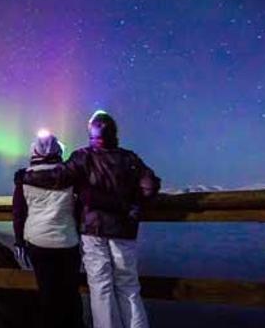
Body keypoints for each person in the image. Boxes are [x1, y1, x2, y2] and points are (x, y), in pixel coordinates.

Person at [15, 111, 160, 328]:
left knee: (101, 287)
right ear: (114, 133)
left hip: (93, 229)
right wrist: (132, 204)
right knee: (128, 286)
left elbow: (58, 177)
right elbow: (150, 187)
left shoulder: (83, 157)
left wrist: (26, 177)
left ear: (91, 135)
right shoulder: (130, 159)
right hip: (124, 230)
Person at [13, 130, 84, 328]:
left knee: (47, 295)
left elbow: (19, 213)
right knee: (71, 294)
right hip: (68, 242)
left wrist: (19, 241)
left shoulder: (24, 179)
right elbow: (79, 210)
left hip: (38, 243)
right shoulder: (71, 177)